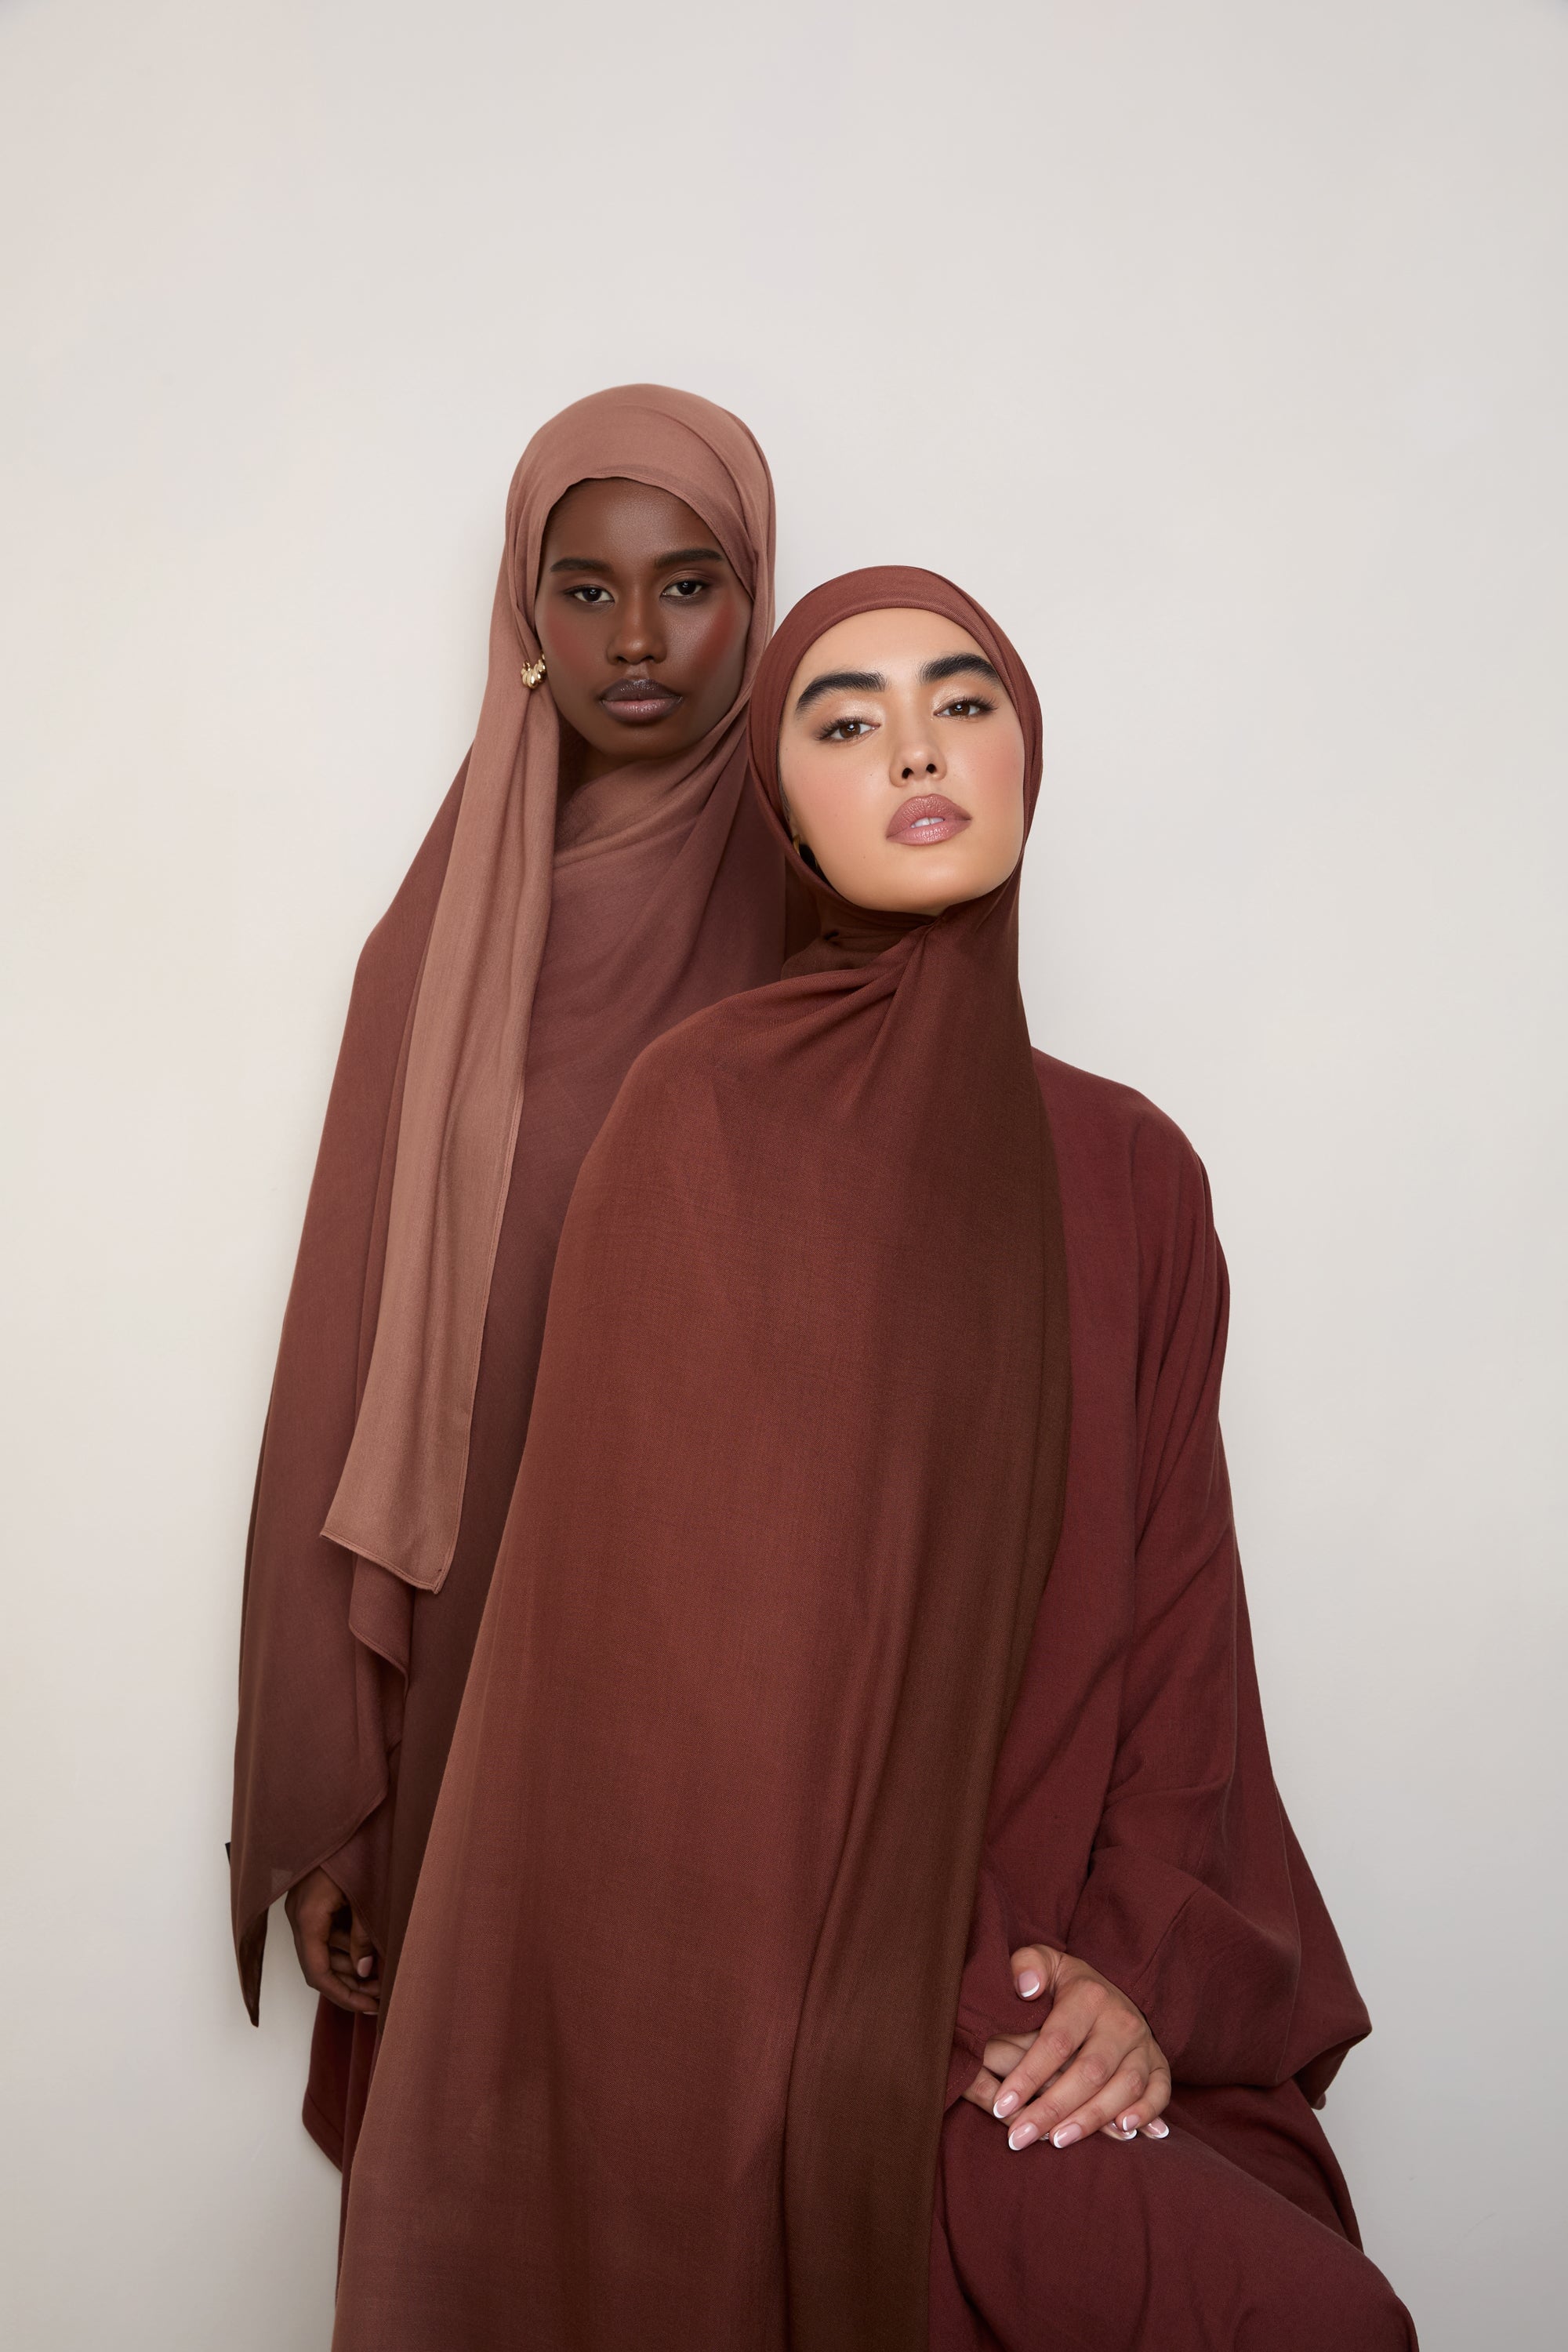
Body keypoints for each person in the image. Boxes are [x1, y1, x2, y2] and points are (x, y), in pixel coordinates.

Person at [329, 569, 1416, 2348]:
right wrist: (952, 2001)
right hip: (795, 1999)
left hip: (1060, 1987)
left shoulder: (1134, 1170)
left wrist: (1125, 1977)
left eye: (961, 702)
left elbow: (1182, 1651)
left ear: (1024, 756)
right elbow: (677, 1694)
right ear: (784, 809)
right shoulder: (702, 1118)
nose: (916, 749)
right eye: (846, 722)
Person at [227, 385, 787, 2190]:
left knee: (697, 2146)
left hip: (733, 1639)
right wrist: (348, 1803)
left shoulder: (823, 910)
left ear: (758, 597)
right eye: (584, 588)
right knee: (484, 2157)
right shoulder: (446, 935)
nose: (634, 640)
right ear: (523, 615)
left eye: (688, 584)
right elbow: (347, 1369)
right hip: (475, 1615)